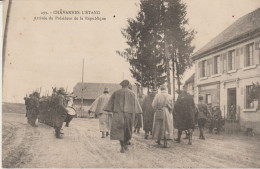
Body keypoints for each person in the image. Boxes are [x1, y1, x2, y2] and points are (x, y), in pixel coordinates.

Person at [104, 80, 142, 153]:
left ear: (121, 85)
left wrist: (112, 110)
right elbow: (137, 108)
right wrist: (137, 113)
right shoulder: (132, 94)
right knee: (128, 130)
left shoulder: (116, 92)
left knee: (120, 130)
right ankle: (126, 145)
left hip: (118, 114)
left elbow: (109, 105)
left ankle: (122, 147)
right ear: (128, 85)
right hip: (129, 114)